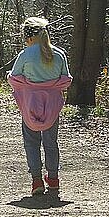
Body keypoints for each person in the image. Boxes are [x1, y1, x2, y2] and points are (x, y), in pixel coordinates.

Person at [8, 17, 72, 196]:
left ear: (28, 37)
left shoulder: (25, 55)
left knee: (31, 142)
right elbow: (65, 80)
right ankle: (53, 178)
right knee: (51, 142)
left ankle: (36, 180)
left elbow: (13, 78)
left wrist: (29, 84)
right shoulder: (59, 54)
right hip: (52, 105)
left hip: (30, 104)